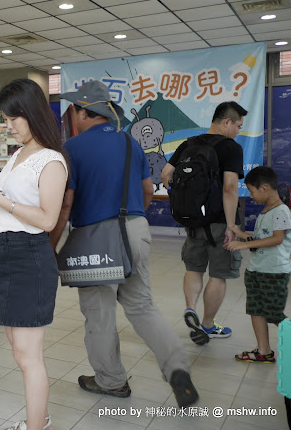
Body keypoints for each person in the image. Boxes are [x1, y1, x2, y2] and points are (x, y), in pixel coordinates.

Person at [50, 80, 198, 408]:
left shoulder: (72, 149)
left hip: (95, 238)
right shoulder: (132, 144)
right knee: (142, 305)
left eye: (74, 108)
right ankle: (177, 369)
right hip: (137, 228)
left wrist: (51, 245)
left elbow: (65, 204)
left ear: (83, 112)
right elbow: (148, 190)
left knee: (100, 314)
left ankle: (111, 381)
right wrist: (131, 222)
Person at [0, 79, 66, 430]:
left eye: (12, 119)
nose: (7, 126)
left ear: (32, 114)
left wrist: (1, 199)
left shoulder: (51, 161)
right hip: (4, 255)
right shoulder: (20, 155)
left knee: (28, 355)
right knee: (17, 348)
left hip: (28, 258)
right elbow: (9, 201)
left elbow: (48, 219)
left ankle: (37, 425)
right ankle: (41, 419)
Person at [161, 101, 247, 344]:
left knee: (194, 268)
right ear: (226, 121)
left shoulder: (189, 144)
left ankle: (191, 308)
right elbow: (230, 188)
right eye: (238, 126)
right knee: (218, 274)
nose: (238, 131)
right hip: (221, 221)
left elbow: (165, 174)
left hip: (193, 220)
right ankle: (208, 325)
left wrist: (186, 199)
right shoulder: (231, 148)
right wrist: (232, 225)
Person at [226, 166, 291, 363]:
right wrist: (239, 232)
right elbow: (261, 237)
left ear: (263, 188)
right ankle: (264, 351)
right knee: (256, 310)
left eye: (252, 191)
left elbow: (276, 239)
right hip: (256, 270)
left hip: (273, 272)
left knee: (274, 314)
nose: (251, 196)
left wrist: (245, 244)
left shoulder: (281, 211)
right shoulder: (266, 211)